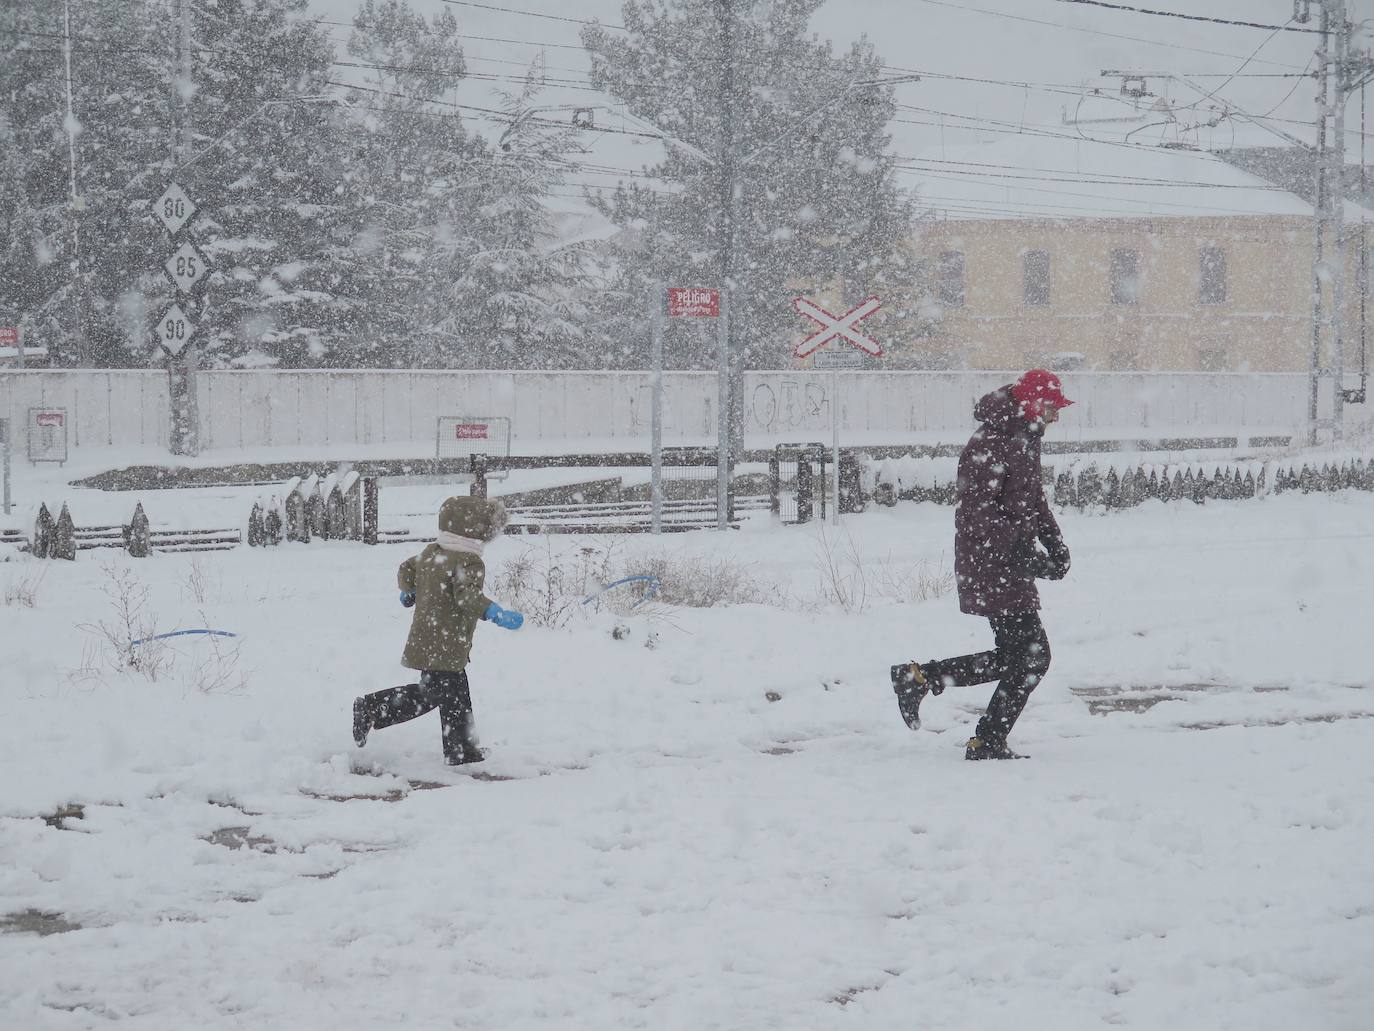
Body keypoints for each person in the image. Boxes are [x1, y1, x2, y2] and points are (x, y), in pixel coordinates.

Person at [889, 369, 1073, 760]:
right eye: (1052, 407)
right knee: (1031, 657)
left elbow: (1033, 500)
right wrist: (1022, 554)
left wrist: (1054, 544)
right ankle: (980, 733)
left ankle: (924, 680)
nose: (1056, 416)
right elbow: (977, 515)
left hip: (1009, 562)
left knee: (1021, 657)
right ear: (1029, 405)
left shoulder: (1022, 440)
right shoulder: (988, 444)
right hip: (990, 562)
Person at [352, 496, 524, 765]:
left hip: (429, 636)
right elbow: (466, 598)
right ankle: (372, 708)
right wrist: (494, 612)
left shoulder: (432, 551)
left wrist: (409, 591)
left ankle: (462, 750)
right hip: (446, 639)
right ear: (476, 531)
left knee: (457, 692)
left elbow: (406, 569)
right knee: (434, 693)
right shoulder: (468, 561)